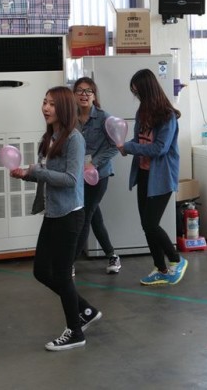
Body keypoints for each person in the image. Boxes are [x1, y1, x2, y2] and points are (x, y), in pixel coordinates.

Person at [10, 86, 101, 351]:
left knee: (61, 275)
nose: (46, 108)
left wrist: (36, 171)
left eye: (51, 103)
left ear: (63, 107)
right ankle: (85, 310)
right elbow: (47, 173)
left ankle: (75, 332)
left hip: (70, 214)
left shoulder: (74, 139)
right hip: (53, 212)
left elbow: (71, 179)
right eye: (44, 102)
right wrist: (26, 174)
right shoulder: (50, 137)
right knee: (41, 271)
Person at [118, 69, 186, 286]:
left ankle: (176, 260)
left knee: (150, 223)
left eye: (138, 92)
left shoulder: (167, 116)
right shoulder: (142, 113)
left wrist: (129, 148)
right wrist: (124, 145)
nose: (136, 96)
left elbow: (159, 148)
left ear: (147, 90)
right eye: (134, 92)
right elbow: (140, 140)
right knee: (146, 225)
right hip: (144, 173)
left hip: (162, 177)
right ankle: (161, 268)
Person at [72, 77, 121, 274]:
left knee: (85, 216)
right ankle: (112, 255)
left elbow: (115, 146)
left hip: (99, 176)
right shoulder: (71, 118)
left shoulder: (104, 118)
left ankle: (69, 263)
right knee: (94, 217)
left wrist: (94, 163)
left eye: (88, 91)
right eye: (80, 90)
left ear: (94, 95)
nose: (84, 95)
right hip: (78, 176)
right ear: (74, 95)